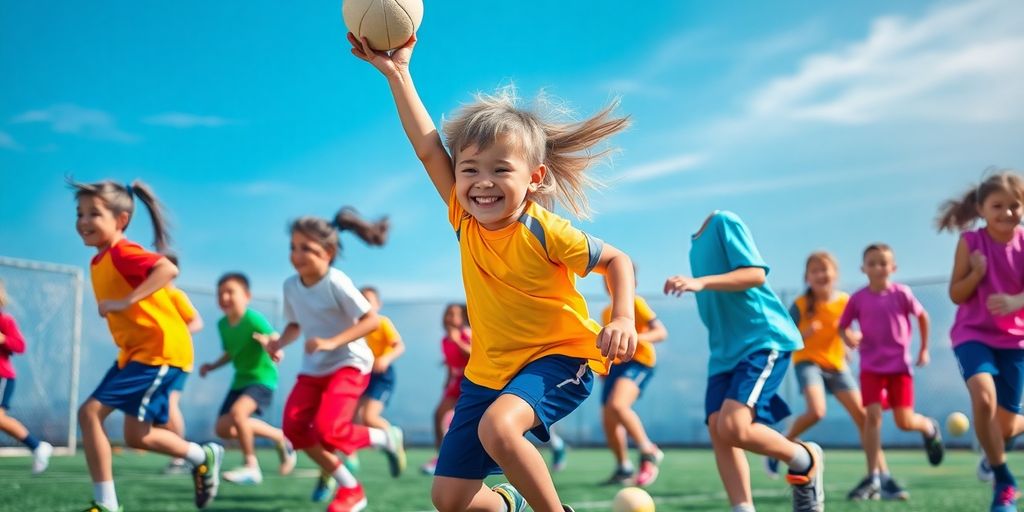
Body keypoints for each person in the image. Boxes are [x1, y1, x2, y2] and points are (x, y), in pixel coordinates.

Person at [351, 32, 639, 512]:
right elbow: (427, 148)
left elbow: (616, 261)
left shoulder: (544, 230)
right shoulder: (463, 218)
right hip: (487, 372)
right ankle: (510, 504)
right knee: (450, 501)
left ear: (534, 178)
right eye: (469, 169)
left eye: (500, 170)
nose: (482, 182)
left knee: (499, 428)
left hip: (558, 358)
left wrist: (624, 318)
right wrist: (398, 73)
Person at [71, 179, 222, 511]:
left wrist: (125, 301)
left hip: (159, 352)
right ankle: (202, 455)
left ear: (121, 220)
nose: (83, 221)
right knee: (137, 437)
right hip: (137, 354)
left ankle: (106, 504)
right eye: (79, 213)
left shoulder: (122, 251)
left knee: (90, 414)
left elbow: (165, 268)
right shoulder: (99, 260)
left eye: (93, 214)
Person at [664, 210, 823, 512]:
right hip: (723, 353)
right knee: (718, 429)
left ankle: (805, 460)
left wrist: (700, 283)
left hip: (762, 339)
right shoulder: (694, 246)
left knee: (734, 427)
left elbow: (755, 274)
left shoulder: (724, 221)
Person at [262, 211, 405, 512]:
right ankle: (350, 487)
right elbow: (295, 325)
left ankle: (384, 437)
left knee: (330, 430)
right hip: (314, 368)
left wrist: (331, 342)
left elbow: (371, 321)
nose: (297, 255)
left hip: (349, 363)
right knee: (294, 427)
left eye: (307, 249)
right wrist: (277, 343)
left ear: (327, 254)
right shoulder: (290, 286)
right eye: (293, 247)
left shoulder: (336, 281)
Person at [766, 252, 905, 501]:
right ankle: (779, 446)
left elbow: (850, 331)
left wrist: (851, 339)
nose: (821, 274)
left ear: (835, 274)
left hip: (837, 365)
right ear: (807, 277)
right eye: (815, 271)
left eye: (825, 269)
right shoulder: (799, 305)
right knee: (817, 411)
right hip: (807, 363)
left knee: (865, 418)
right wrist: (803, 333)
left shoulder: (844, 301)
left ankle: (882, 478)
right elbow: (784, 335)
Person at [937, 171, 1024, 512]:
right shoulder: (970, 243)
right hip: (973, 335)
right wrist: (976, 274)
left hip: (1015, 342)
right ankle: (1004, 480)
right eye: (997, 206)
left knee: (1004, 426)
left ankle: (992, 452)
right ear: (982, 209)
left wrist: (1017, 301)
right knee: (983, 398)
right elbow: (956, 294)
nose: (1007, 213)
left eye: (1014, 205)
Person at [839, 244, 944, 495]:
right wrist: (849, 337)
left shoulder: (902, 294)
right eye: (872, 263)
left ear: (893, 268)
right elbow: (843, 327)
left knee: (904, 422)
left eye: (883, 263)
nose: (878, 267)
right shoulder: (858, 298)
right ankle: (873, 476)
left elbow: (922, 317)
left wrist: (924, 349)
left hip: (899, 368)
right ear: (863, 269)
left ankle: (929, 428)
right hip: (871, 369)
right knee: (872, 417)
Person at [199, 272, 296, 485]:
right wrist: (212, 366)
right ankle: (279, 437)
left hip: (262, 379)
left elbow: (272, 337)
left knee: (238, 413)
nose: (224, 297)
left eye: (230, 291)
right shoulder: (222, 325)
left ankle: (251, 467)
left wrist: (273, 347)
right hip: (240, 381)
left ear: (246, 296)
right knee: (223, 428)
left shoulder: (253, 319)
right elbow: (231, 353)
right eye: (220, 293)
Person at [599, 271, 668, 486]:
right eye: (608, 279)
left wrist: (634, 338)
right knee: (609, 419)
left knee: (618, 406)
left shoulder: (636, 303)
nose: (611, 283)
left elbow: (661, 332)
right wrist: (604, 369)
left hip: (639, 362)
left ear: (632, 282)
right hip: (616, 368)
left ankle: (649, 450)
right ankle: (623, 468)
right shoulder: (606, 312)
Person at [0, 278, 53, 474]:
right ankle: (37, 446)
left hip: (2, 377)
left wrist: (4, 339)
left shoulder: (5, 320)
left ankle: (37, 446)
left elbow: (20, 345)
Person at [421, 303, 471, 476]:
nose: (450, 317)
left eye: (454, 314)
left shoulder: (468, 335)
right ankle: (441, 459)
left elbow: (475, 355)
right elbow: (450, 365)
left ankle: (473, 461)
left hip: (471, 383)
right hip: (455, 384)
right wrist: (447, 382)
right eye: (448, 314)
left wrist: (458, 341)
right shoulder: (444, 340)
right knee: (438, 416)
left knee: (467, 422)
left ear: (463, 318)